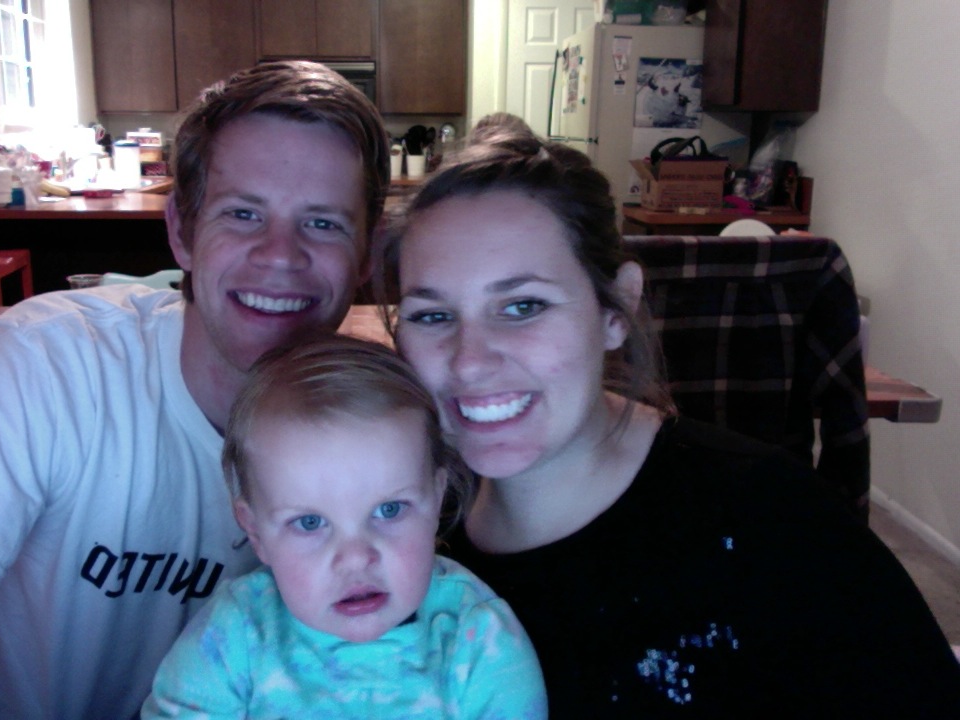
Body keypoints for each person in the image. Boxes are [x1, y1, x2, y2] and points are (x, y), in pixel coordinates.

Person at [375, 123, 960, 717]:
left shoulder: (773, 529)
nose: (470, 361)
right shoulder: (397, 523)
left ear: (618, 308)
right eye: (432, 316)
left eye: (523, 306)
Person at [0, 61, 390, 720]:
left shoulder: (385, 435)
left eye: (322, 223)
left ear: (368, 253)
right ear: (181, 231)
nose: (280, 255)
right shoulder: (50, 367)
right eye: (243, 214)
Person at [141, 335, 547, 718]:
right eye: (310, 522)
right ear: (256, 531)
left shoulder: (476, 638)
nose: (355, 558)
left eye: (389, 510)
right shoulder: (235, 635)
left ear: (436, 498)